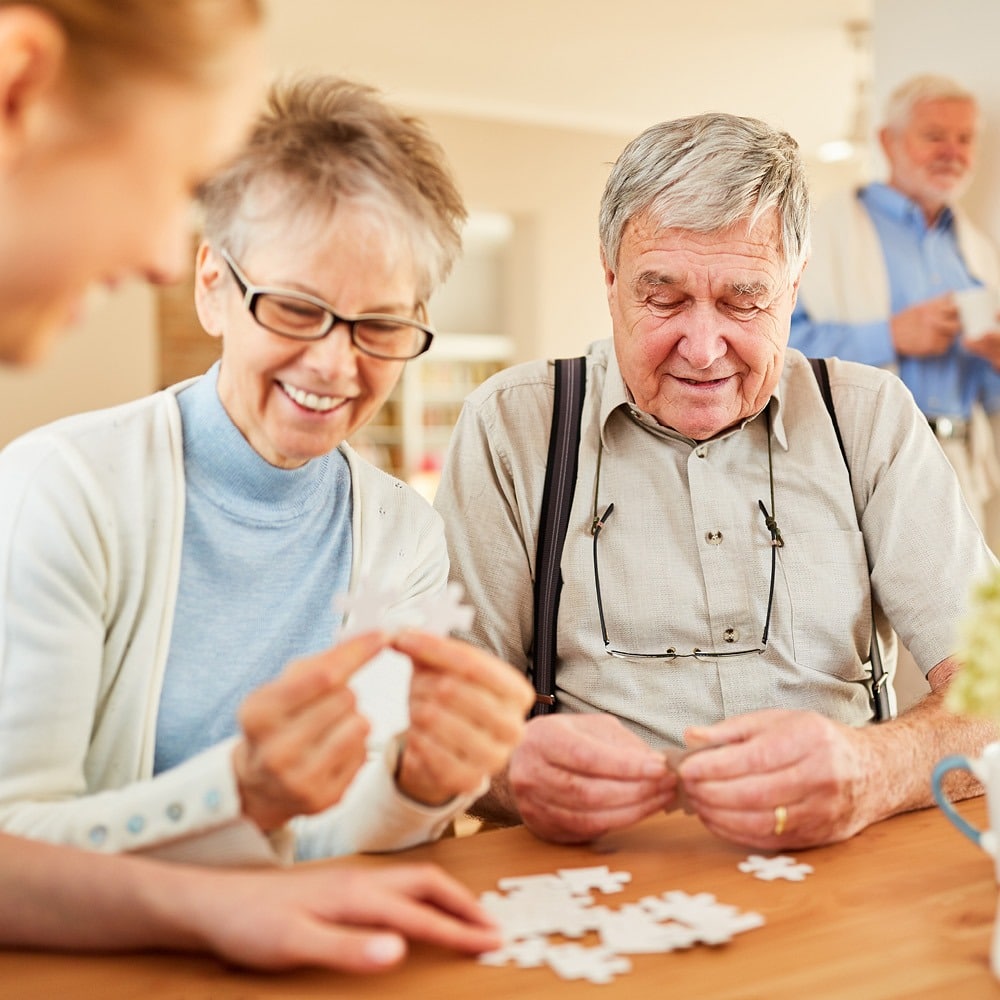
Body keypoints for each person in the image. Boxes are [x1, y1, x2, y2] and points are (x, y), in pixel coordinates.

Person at [0, 0, 507, 971]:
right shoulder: (60, 489)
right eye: (298, 308)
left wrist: (416, 779)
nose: (334, 364)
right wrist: (246, 790)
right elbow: (15, 835)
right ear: (210, 286)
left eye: (380, 326)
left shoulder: (400, 528)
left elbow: (340, 849)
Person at [434, 110, 998, 853]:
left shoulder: (870, 418)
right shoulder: (510, 425)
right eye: (662, 297)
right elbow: (443, 718)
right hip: (586, 876)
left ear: (793, 288)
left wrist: (874, 767)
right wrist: (507, 768)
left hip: (843, 862)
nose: (703, 349)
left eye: (743, 299)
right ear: (610, 281)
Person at [789, 74, 1000, 548]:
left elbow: (990, 397)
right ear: (888, 140)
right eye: (934, 136)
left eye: (964, 138)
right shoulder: (823, 231)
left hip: (962, 467)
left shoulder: (977, 251)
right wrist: (890, 336)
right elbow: (776, 345)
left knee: (963, 620)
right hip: (862, 461)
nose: (952, 150)